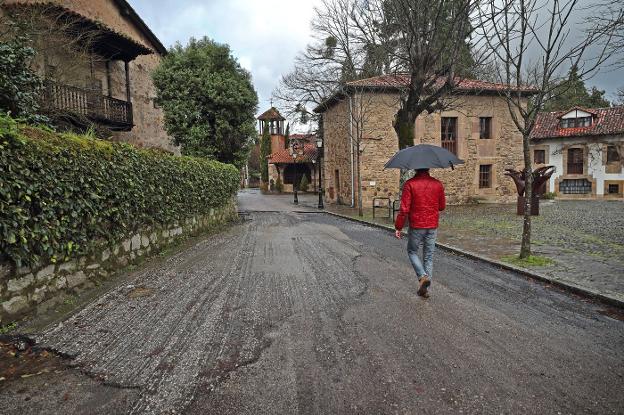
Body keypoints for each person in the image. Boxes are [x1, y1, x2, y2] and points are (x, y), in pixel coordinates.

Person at [394, 168, 446, 297]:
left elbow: (404, 209)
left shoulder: (410, 184)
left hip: (417, 225)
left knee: (412, 251)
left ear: (416, 168)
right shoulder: (438, 184)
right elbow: (442, 206)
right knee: (428, 256)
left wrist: (398, 227)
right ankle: (425, 288)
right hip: (432, 225)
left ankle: (422, 277)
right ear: (429, 168)